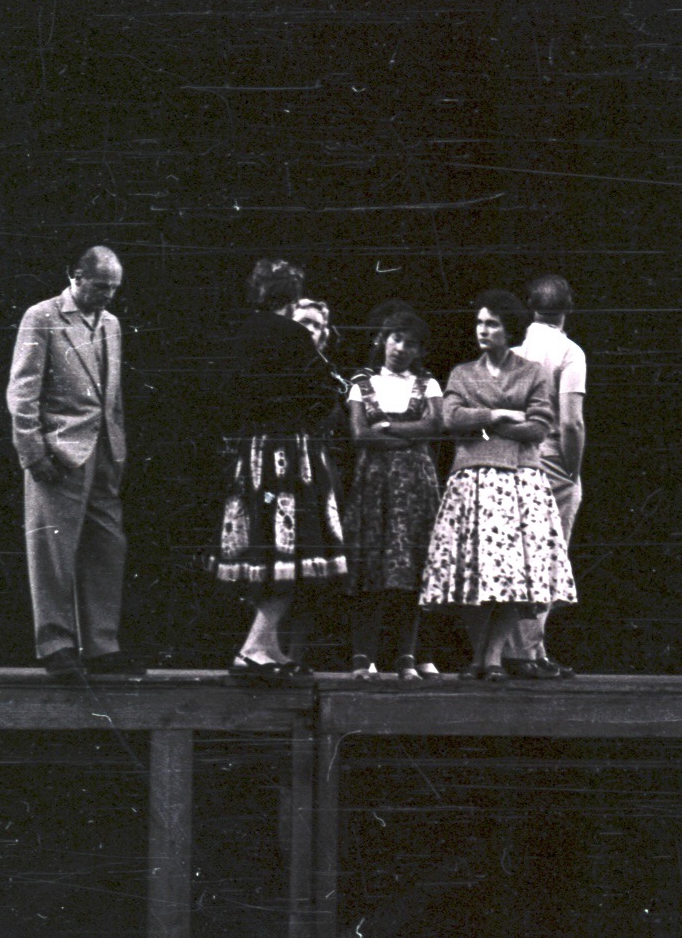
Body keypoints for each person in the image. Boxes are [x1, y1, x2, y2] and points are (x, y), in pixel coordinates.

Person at [420, 290, 577, 680]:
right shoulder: (461, 373)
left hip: (520, 481)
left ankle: (490, 658)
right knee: (472, 573)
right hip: (471, 480)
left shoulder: (531, 372)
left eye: (492, 323)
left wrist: (486, 424)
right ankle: (481, 657)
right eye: (479, 322)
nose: (483, 330)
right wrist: (501, 413)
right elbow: (451, 418)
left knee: (514, 576)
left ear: (509, 329)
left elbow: (540, 425)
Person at [206, 258, 349, 685]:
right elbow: (328, 390)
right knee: (288, 552)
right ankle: (255, 647)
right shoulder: (292, 335)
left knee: (266, 555)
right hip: (287, 453)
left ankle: (267, 647)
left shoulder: (238, 334)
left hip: (251, 453)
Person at [6, 245, 144, 683]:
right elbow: (22, 392)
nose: (107, 295)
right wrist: (33, 453)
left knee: (107, 548)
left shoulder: (112, 324)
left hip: (103, 453)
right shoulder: (42, 316)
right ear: (76, 276)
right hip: (59, 454)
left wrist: (117, 449)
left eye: (114, 289)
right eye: (101, 286)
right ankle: (56, 643)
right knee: (52, 550)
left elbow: (113, 396)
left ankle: (102, 645)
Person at [342, 310, 444, 680]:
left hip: (416, 487)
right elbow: (360, 434)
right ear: (382, 339)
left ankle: (407, 654)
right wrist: (407, 435)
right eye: (396, 338)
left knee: (413, 567)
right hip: (375, 485)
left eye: (411, 342)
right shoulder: (362, 384)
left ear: (419, 350)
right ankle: (362, 655)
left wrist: (388, 427)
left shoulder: (427, 384)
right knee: (372, 567)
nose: (401, 348)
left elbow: (436, 425)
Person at [501, 274, 587, 680]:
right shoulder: (570, 352)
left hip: (514, 458)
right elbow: (571, 422)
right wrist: (572, 467)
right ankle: (527, 652)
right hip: (552, 459)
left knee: (518, 554)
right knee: (547, 558)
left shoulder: (513, 352)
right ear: (568, 308)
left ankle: (522, 649)